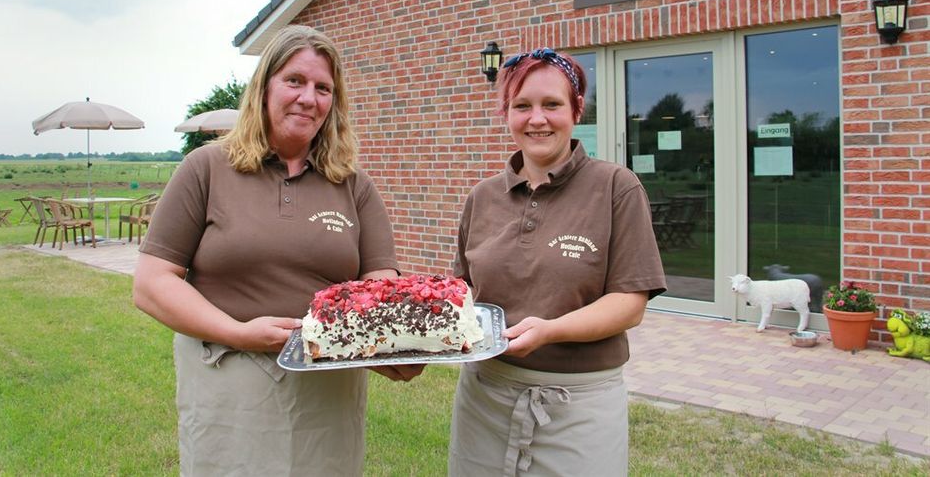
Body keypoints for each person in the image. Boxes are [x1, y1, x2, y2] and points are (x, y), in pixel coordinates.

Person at [133, 25, 419, 476]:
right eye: (295, 81)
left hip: (325, 391)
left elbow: (378, 285)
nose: (309, 98)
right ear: (264, 86)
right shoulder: (206, 168)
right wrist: (238, 332)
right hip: (227, 381)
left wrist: (389, 348)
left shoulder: (354, 186)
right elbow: (151, 285)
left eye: (323, 88)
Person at [449, 48, 667, 476]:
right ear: (506, 113)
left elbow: (630, 302)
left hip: (579, 406)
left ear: (577, 110)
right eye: (522, 106)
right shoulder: (483, 197)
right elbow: (463, 292)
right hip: (485, 395)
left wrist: (551, 331)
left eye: (552, 104)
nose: (537, 119)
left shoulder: (615, 188)